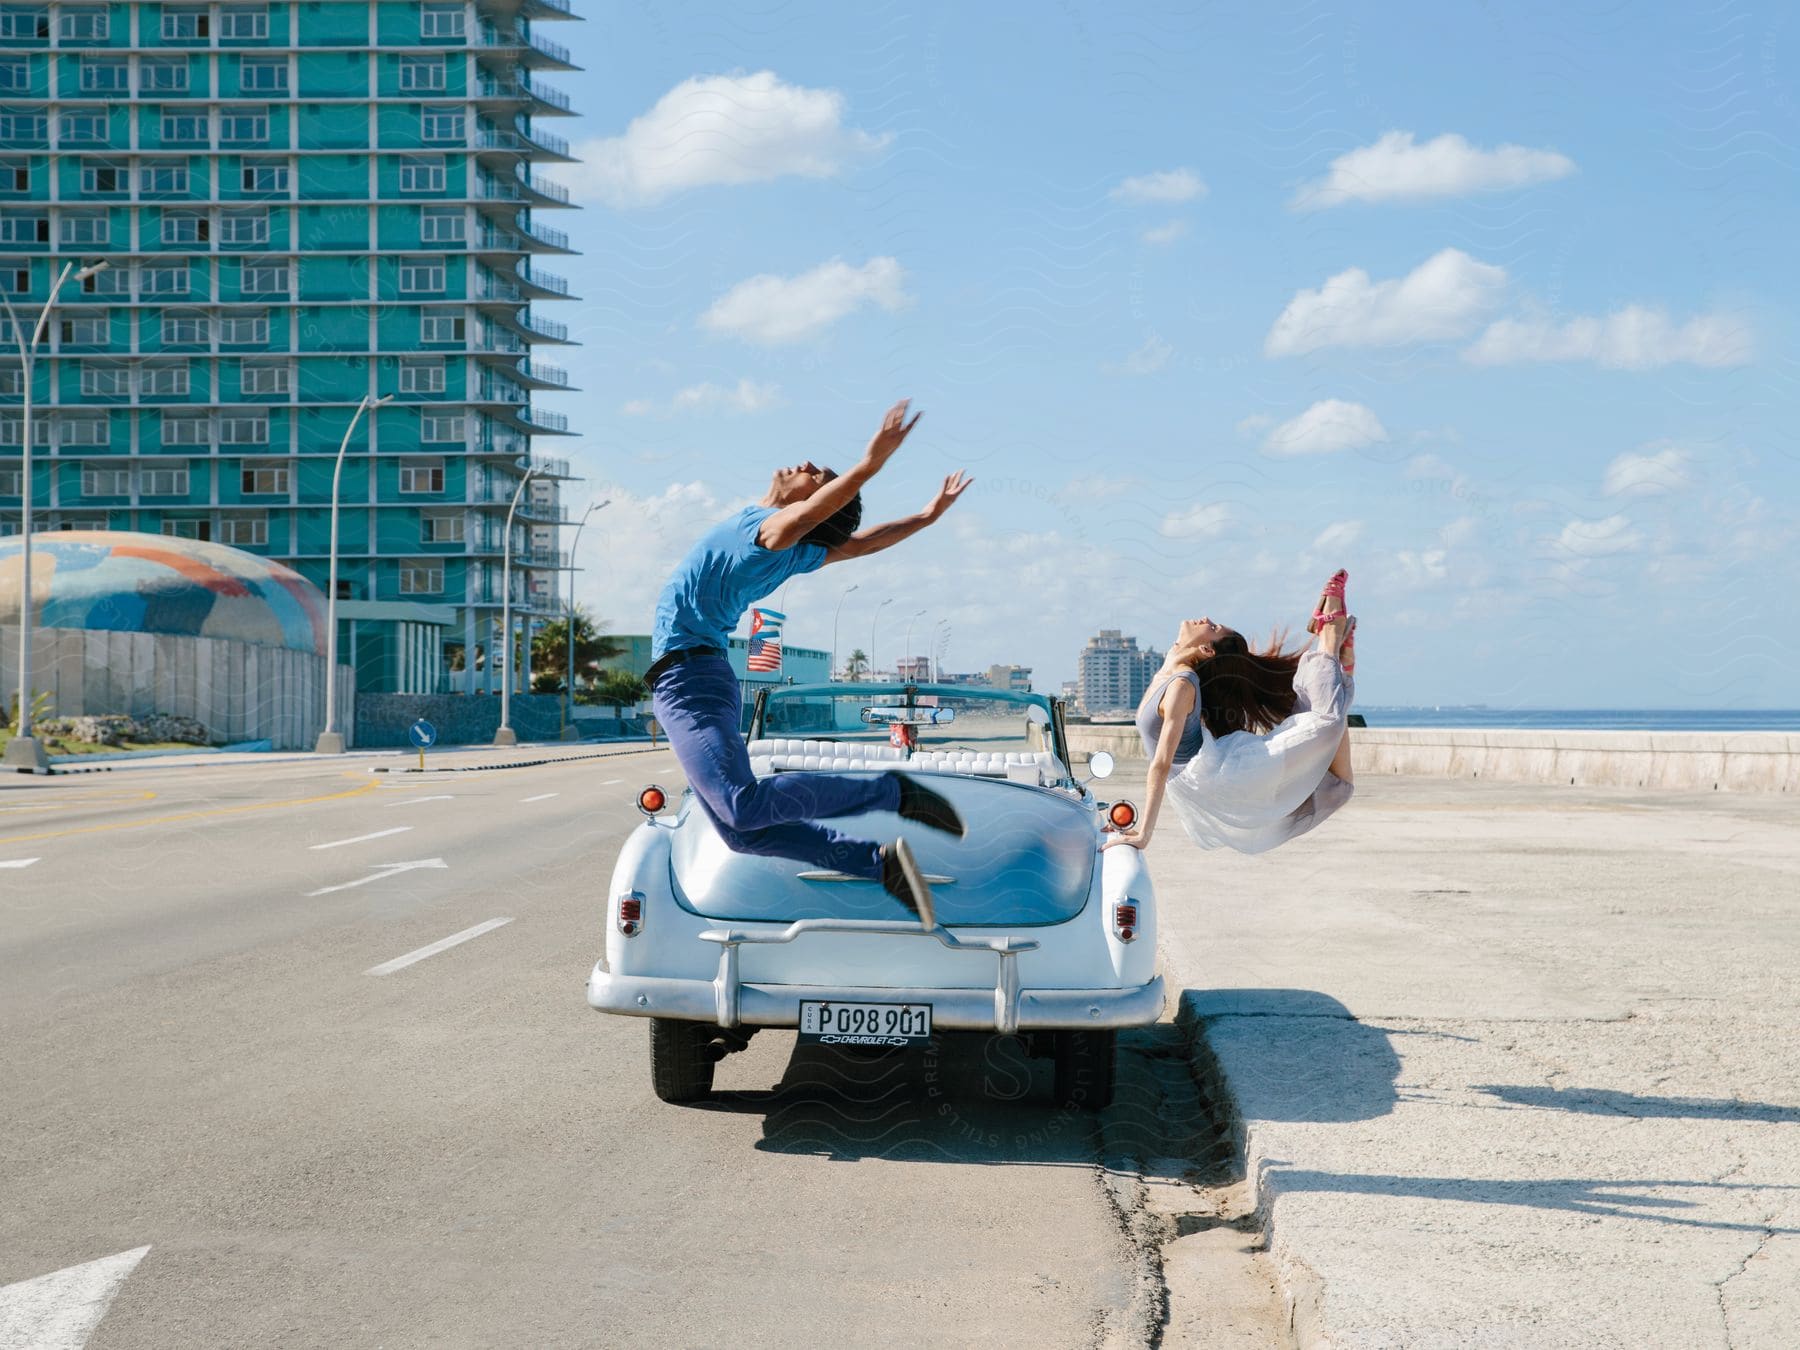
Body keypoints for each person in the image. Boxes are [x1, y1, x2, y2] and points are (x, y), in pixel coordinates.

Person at [647, 399, 973, 927]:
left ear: (816, 507)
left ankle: (892, 791)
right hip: (693, 676)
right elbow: (860, 544)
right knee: (740, 831)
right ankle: (877, 863)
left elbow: (822, 522)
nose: (807, 465)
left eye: (818, 477)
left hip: (690, 676)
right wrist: (926, 516)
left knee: (741, 807)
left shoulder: (772, 538)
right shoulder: (787, 541)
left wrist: (870, 465)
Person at [1105, 569, 1357, 855]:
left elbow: (1160, 764)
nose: (1206, 620)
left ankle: (1330, 644)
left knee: (1327, 730)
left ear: (1206, 649)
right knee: (1336, 780)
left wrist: (1143, 833)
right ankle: (1336, 665)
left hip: (1220, 776)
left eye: (1212, 628)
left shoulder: (1182, 685)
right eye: (1213, 625)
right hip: (1212, 777)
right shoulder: (1171, 667)